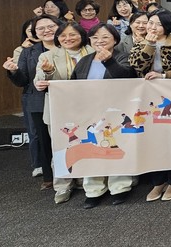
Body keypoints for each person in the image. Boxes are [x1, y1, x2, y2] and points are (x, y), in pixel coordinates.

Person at [129, 9, 171, 202]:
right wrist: (149, 45)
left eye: (157, 24)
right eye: (150, 23)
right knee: (153, 140)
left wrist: (164, 76)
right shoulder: (141, 42)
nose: (152, 27)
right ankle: (158, 181)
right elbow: (136, 66)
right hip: (148, 100)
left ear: (167, 26)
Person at [71, 23, 137, 209]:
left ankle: (120, 187)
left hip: (115, 111)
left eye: (105, 37)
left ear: (115, 40)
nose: (99, 41)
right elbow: (73, 85)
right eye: (95, 38)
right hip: (89, 111)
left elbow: (127, 77)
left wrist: (109, 61)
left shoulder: (122, 56)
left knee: (115, 147)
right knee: (91, 148)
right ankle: (94, 190)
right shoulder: (85, 60)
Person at [34, 22, 93, 203]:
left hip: (89, 109)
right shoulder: (48, 56)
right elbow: (39, 80)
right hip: (59, 110)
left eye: (72, 34)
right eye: (63, 35)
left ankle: (85, 180)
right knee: (61, 149)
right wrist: (47, 73)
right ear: (58, 38)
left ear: (82, 35)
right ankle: (62, 185)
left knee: (87, 145)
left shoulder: (93, 52)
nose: (68, 38)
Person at [3, 15, 62, 184]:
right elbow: (22, 81)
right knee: (43, 139)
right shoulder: (28, 52)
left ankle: (72, 175)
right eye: (41, 28)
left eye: (51, 26)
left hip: (65, 99)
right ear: (35, 32)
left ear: (59, 26)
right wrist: (13, 71)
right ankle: (48, 177)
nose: (46, 30)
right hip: (37, 100)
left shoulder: (67, 47)